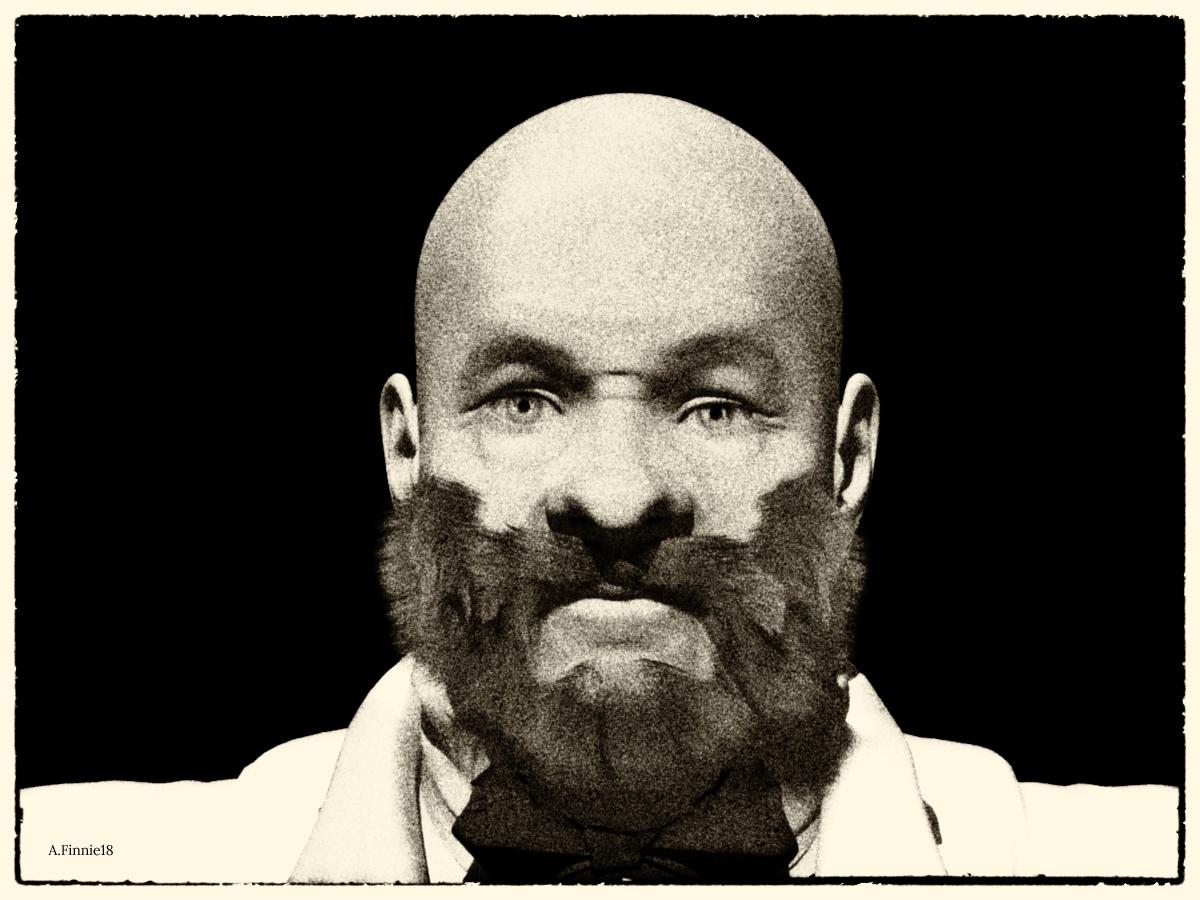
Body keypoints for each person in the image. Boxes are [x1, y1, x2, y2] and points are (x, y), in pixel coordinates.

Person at [18, 93, 1178, 884]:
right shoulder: (74, 866)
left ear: (847, 459)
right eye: (523, 399)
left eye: (716, 404)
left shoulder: (1138, 865)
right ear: (410, 454)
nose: (618, 497)